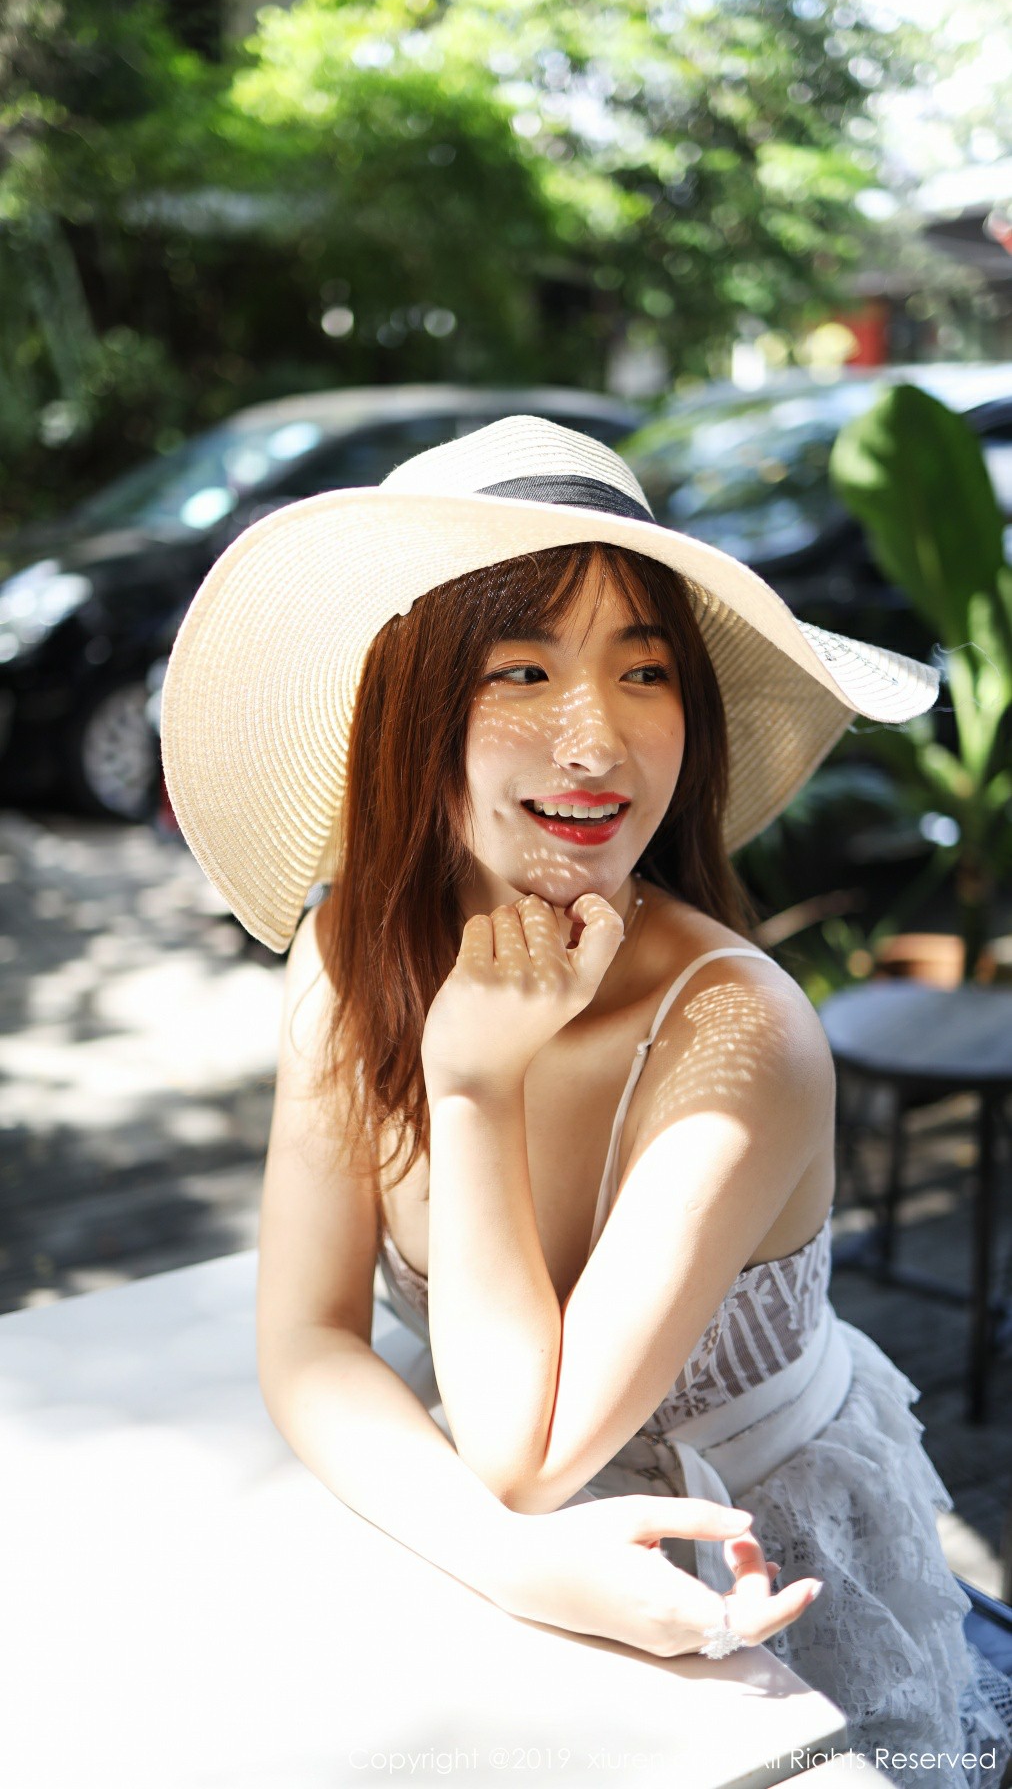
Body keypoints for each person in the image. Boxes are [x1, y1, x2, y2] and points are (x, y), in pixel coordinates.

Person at [161, 416, 1011, 1786]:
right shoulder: (351, 951)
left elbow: (525, 1453)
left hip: (768, 1610)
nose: (596, 738)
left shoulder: (740, 1033)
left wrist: (473, 1084)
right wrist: (506, 1563)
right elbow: (310, 1338)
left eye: (643, 671)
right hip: (496, 1571)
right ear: (411, 712)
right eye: (522, 669)